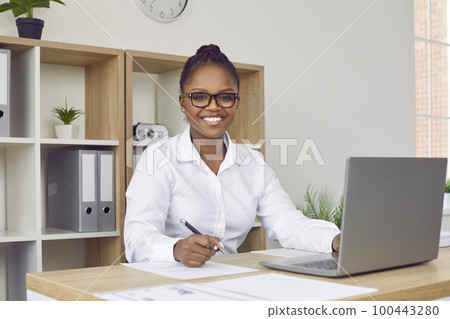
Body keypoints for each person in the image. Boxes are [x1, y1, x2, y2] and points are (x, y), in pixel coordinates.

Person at [124, 44, 340, 267]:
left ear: (236, 102)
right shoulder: (158, 158)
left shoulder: (253, 163)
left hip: (228, 281)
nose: (214, 107)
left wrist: (334, 240)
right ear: (183, 103)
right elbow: (137, 239)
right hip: (168, 286)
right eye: (200, 97)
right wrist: (177, 249)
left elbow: (287, 221)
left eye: (225, 97)